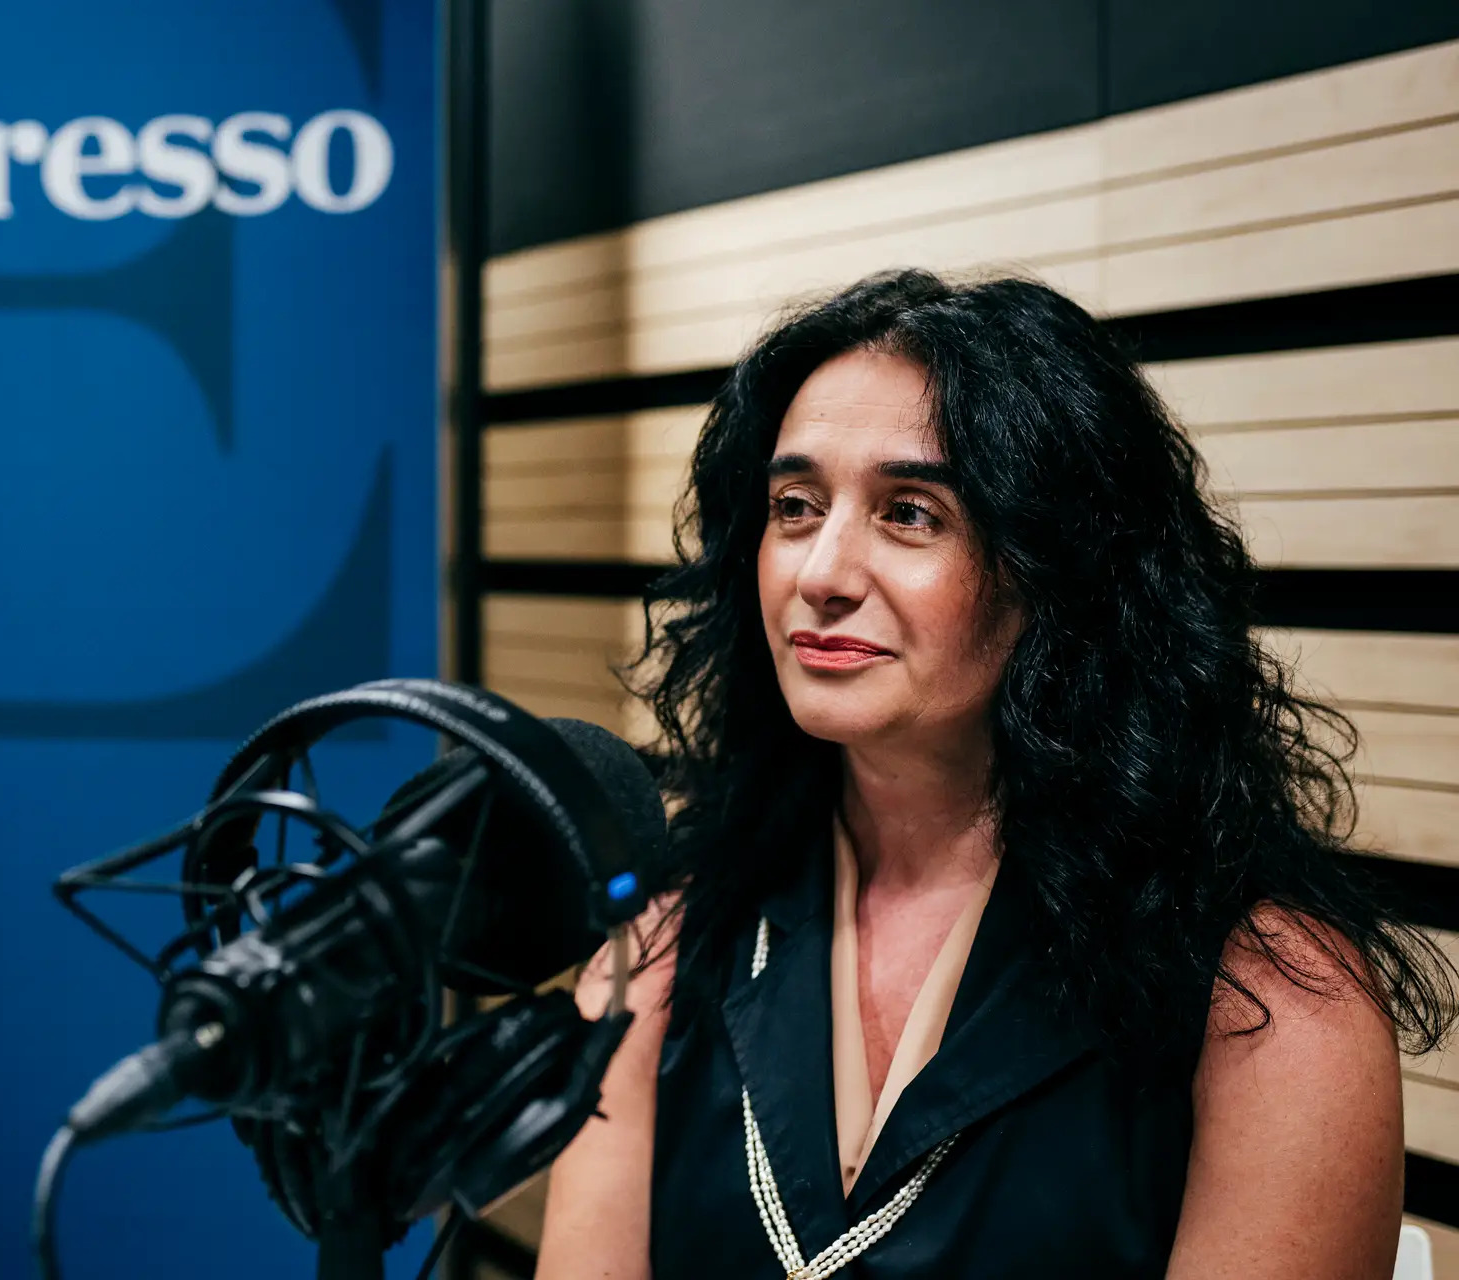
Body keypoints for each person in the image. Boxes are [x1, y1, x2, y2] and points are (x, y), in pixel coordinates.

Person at [533, 271, 1454, 1278]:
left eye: (910, 513)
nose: (821, 573)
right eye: (794, 506)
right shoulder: (662, 943)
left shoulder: (1271, 999)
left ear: (1056, 569)